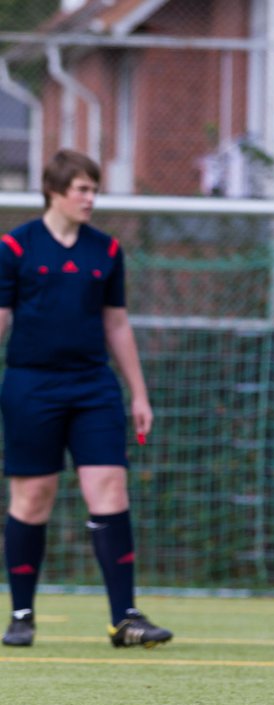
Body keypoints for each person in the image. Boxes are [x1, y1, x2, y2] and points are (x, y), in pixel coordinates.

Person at [0, 149, 172, 649]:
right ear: (55, 190)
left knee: (111, 491)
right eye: (82, 189)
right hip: (30, 385)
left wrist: (138, 392)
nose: (91, 198)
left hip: (93, 386)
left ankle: (126, 619)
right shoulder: (15, 246)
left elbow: (116, 323)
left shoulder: (108, 250)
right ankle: (22, 614)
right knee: (33, 497)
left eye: (94, 189)